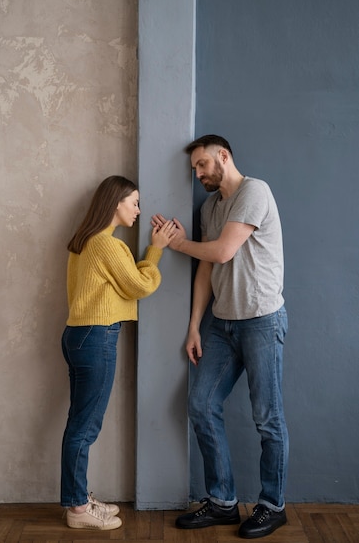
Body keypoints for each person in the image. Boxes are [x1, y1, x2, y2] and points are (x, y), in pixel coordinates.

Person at [152, 135, 289, 539]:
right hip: (223, 324)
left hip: (262, 321)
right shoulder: (210, 207)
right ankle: (223, 502)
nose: (197, 175)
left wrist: (177, 243)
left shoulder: (254, 191)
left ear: (222, 157)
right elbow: (207, 271)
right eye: (194, 169)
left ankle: (272, 505)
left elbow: (224, 251)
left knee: (267, 418)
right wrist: (195, 325)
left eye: (201, 165)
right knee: (200, 404)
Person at [61, 175, 176, 531]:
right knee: (85, 427)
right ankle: (78, 509)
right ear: (116, 203)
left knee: (79, 424)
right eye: (135, 202)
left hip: (80, 336)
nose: (139, 210)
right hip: (96, 337)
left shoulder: (85, 241)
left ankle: (78, 498)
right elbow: (140, 286)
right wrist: (155, 249)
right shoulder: (106, 245)